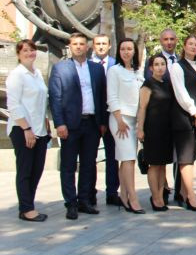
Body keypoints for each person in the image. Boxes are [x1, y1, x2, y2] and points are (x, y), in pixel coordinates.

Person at [48, 33, 107, 220]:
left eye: (82, 44)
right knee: (68, 165)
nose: (79, 47)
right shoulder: (60, 68)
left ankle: (84, 201)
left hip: (91, 123)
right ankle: (70, 203)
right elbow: (55, 98)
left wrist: (102, 122)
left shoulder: (96, 69)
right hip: (70, 125)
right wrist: (59, 123)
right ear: (70, 46)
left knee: (89, 164)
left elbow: (102, 96)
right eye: (75, 44)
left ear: (88, 47)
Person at [7, 39, 51, 222]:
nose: (29, 53)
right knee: (25, 170)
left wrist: (46, 122)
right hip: (22, 129)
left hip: (39, 130)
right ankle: (26, 209)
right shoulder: (17, 75)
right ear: (18, 54)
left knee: (37, 169)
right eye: (25, 50)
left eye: (32, 50)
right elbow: (14, 105)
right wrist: (26, 128)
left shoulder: (37, 73)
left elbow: (41, 100)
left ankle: (28, 204)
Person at [170, 35, 196, 212]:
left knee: (192, 157)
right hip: (184, 117)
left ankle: (183, 193)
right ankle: (191, 197)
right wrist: (195, 112)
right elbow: (181, 93)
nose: (194, 47)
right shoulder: (177, 67)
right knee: (186, 159)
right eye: (191, 44)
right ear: (184, 46)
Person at [106, 38, 145, 214]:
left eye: (129, 49)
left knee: (126, 158)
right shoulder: (114, 71)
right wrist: (119, 119)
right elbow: (112, 97)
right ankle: (133, 198)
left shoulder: (138, 72)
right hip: (120, 120)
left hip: (134, 120)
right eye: (123, 49)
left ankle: (123, 195)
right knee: (129, 158)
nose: (126, 52)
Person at [137, 55, 176, 212]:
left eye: (162, 64)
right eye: (156, 64)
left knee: (162, 165)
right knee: (154, 165)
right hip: (152, 129)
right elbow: (142, 108)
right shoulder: (147, 85)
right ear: (151, 68)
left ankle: (161, 195)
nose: (160, 67)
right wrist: (140, 129)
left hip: (166, 129)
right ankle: (155, 198)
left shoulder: (167, 84)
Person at [90, 33, 120, 206]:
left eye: (104, 44)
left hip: (112, 117)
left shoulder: (116, 64)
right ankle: (89, 192)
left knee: (112, 157)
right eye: (97, 44)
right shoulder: (86, 65)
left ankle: (111, 192)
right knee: (90, 158)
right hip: (93, 119)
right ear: (93, 46)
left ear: (109, 46)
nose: (101, 46)